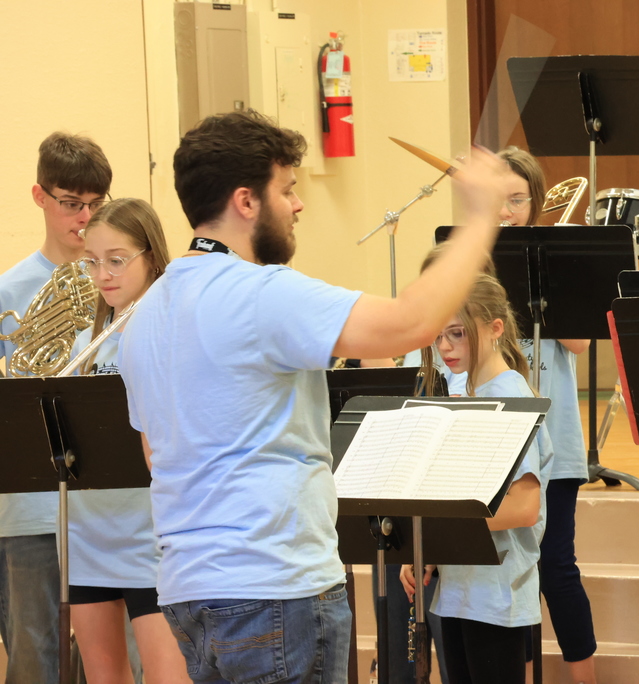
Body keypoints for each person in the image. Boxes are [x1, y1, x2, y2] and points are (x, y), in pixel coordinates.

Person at [117, 110, 508, 684]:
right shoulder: (259, 293)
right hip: (274, 585)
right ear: (246, 201)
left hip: (189, 590)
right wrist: (479, 219)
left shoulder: (145, 315)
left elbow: (154, 453)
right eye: (288, 189)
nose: (298, 205)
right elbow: (410, 324)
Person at [401, 274, 554, 684]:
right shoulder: (465, 394)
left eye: (457, 333)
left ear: (495, 328)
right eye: (438, 336)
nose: (445, 347)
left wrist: (435, 527)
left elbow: (523, 507)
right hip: (458, 593)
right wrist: (427, 546)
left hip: (497, 594)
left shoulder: (513, 397)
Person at [0, 131, 111, 684]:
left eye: (97, 204)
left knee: (122, 662)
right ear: (40, 197)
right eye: (72, 203)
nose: (85, 216)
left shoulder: (122, 286)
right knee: (33, 656)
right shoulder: (8, 292)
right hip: (30, 510)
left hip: (113, 504)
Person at [69, 198, 190, 683]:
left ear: (152, 257)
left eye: (117, 260)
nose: (103, 274)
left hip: (151, 536)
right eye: (92, 261)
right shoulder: (85, 344)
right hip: (88, 534)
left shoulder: (173, 331)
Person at [497, 146, 597, 684]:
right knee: (507, 571)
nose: (507, 210)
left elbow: (579, 343)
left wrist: (543, 283)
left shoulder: (555, 259)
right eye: (498, 200)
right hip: (493, 441)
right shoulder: (470, 260)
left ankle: (585, 677)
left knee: (556, 566)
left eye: (518, 200)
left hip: (552, 441)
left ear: (536, 204)